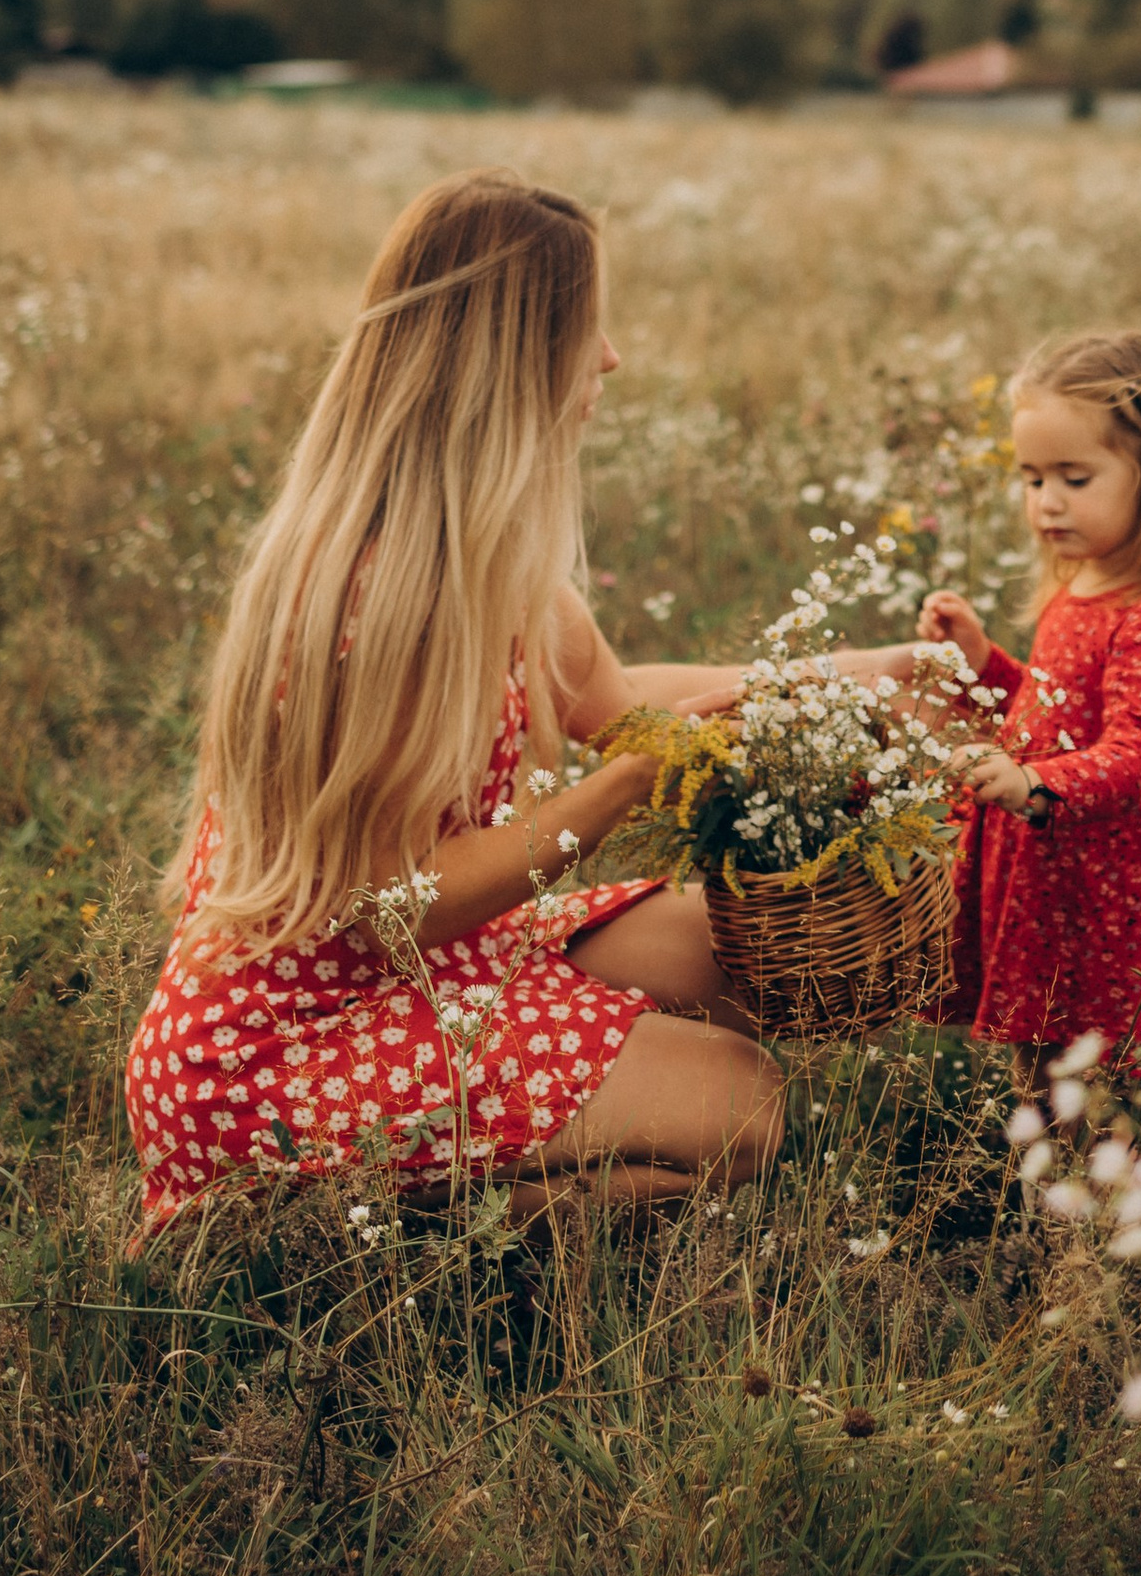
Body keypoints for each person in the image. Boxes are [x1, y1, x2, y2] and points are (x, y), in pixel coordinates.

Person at [124, 173, 783, 1224]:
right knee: (741, 1102)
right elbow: (395, 916)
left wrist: (863, 681)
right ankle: (329, 1231)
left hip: (420, 974)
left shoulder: (484, 558)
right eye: (587, 330)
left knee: (742, 948)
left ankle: (457, 1172)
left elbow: (621, 702)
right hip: (285, 1047)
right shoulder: (383, 597)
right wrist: (623, 789)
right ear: (512, 360)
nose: (610, 357)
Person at [913, 330, 1141, 1077]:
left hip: (1108, 890)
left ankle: (1101, 1180)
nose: (1047, 502)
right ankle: (1046, 1181)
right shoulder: (1079, 585)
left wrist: (1032, 785)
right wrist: (984, 664)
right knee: (1043, 1056)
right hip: (1050, 870)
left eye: (1074, 479)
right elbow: (1049, 713)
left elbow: (1137, 757)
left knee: (1097, 1057)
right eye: (1032, 479)